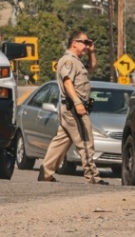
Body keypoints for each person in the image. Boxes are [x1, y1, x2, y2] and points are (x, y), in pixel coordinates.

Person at [38, 30, 108, 185]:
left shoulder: (78, 61)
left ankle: (46, 173)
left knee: (60, 142)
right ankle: (93, 177)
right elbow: (67, 82)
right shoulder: (68, 61)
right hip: (74, 108)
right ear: (74, 43)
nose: (86, 45)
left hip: (71, 108)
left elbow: (93, 67)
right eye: (84, 42)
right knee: (85, 141)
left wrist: (92, 52)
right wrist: (77, 102)